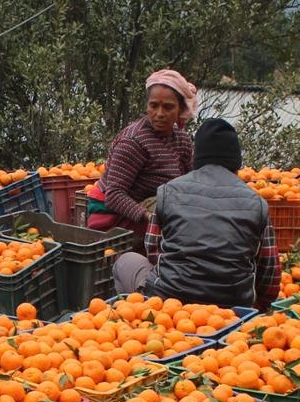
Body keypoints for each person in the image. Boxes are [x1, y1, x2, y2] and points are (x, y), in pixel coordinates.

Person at [111, 118, 280, 309]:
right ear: (236, 163)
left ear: (196, 157)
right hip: (231, 306)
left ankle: (134, 320)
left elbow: (153, 248)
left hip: (171, 302)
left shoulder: (169, 191)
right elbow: (269, 270)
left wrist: (181, 274)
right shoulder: (256, 202)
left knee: (125, 261)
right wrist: (260, 306)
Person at [85, 68, 197, 241]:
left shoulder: (182, 140)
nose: (159, 114)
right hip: (114, 218)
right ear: (147, 106)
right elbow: (114, 195)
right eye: (154, 106)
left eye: (168, 107)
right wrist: (149, 218)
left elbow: (190, 183)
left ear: (180, 109)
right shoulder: (134, 141)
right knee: (166, 206)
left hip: (154, 210)